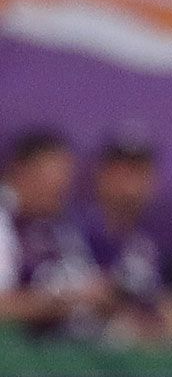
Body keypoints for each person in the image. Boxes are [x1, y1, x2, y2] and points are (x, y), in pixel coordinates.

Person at [83, 134, 172, 350]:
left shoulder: (147, 242)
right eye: (124, 171)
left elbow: (168, 301)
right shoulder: (77, 228)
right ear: (102, 174)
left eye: (141, 172)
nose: (131, 184)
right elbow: (97, 298)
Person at [0, 131, 112, 340]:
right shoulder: (5, 219)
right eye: (54, 175)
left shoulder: (62, 225)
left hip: (78, 350)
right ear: (22, 171)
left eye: (66, 176)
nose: (63, 186)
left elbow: (89, 288)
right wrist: (71, 300)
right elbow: (2, 306)